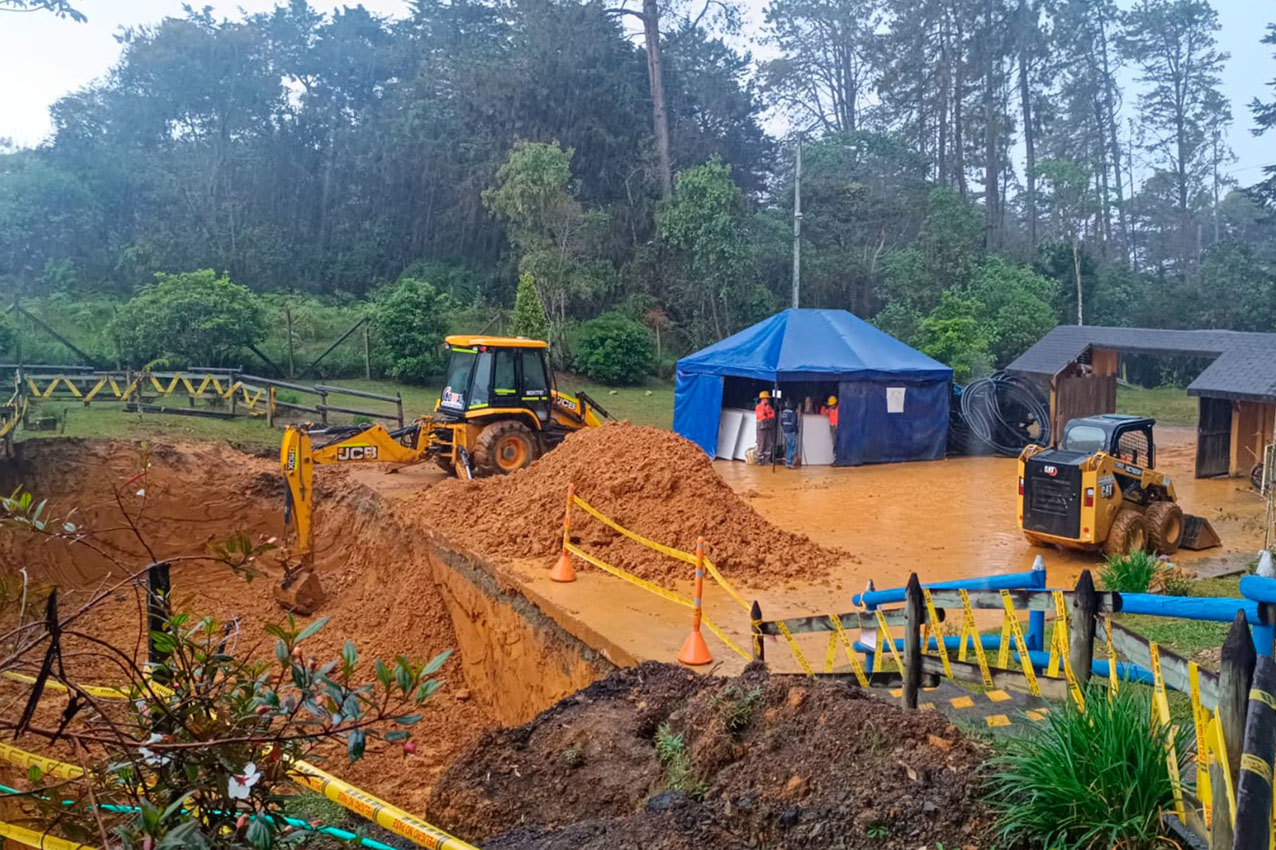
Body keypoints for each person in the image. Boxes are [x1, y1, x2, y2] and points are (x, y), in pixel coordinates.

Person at [754, 390, 775, 464]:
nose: (768, 400)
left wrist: (768, 414)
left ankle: (767, 460)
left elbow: (773, 415)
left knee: (769, 443)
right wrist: (768, 413)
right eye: (767, 398)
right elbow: (762, 417)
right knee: (761, 444)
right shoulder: (758, 407)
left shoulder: (769, 407)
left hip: (768, 427)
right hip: (761, 428)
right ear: (763, 399)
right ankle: (759, 461)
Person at [780, 399, 799, 468]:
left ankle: (788, 462)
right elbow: (794, 423)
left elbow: (781, 423)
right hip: (791, 432)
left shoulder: (783, 412)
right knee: (792, 447)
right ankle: (790, 462)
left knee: (788, 447)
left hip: (785, 431)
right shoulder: (793, 413)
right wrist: (796, 431)